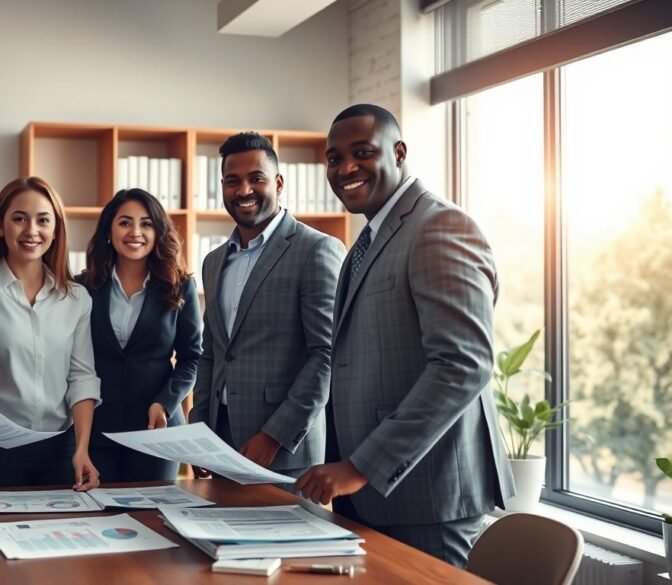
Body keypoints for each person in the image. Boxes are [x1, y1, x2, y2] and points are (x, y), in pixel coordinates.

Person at [295, 104, 515, 567]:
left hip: (427, 494)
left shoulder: (438, 226)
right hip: (372, 495)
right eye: (334, 159)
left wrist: (360, 466)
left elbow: (463, 365)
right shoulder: (369, 240)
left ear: (398, 152)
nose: (345, 168)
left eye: (361, 152)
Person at [188, 132, 346, 480]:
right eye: (233, 181)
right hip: (221, 442)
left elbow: (327, 355)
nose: (243, 190)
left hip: (286, 450)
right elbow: (213, 352)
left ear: (278, 183)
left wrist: (274, 435)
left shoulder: (315, 250)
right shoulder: (214, 261)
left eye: (255, 178)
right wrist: (199, 427)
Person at [0, 176, 101, 490]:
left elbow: (81, 377)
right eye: (19, 218)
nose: (31, 231)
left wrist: (81, 449)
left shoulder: (77, 299)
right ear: (0, 225)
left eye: (43, 220)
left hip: (59, 447)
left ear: (55, 229)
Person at [76, 188, 202, 482]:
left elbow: (192, 358)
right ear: (109, 230)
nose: (136, 232)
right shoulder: (82, 287)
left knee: (153, 517)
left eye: (146, 223)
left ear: (158, 231)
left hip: (155, 430)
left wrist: (165, 402)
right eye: (125, 222)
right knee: (100, 518)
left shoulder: (180, 287)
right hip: (97, 430)